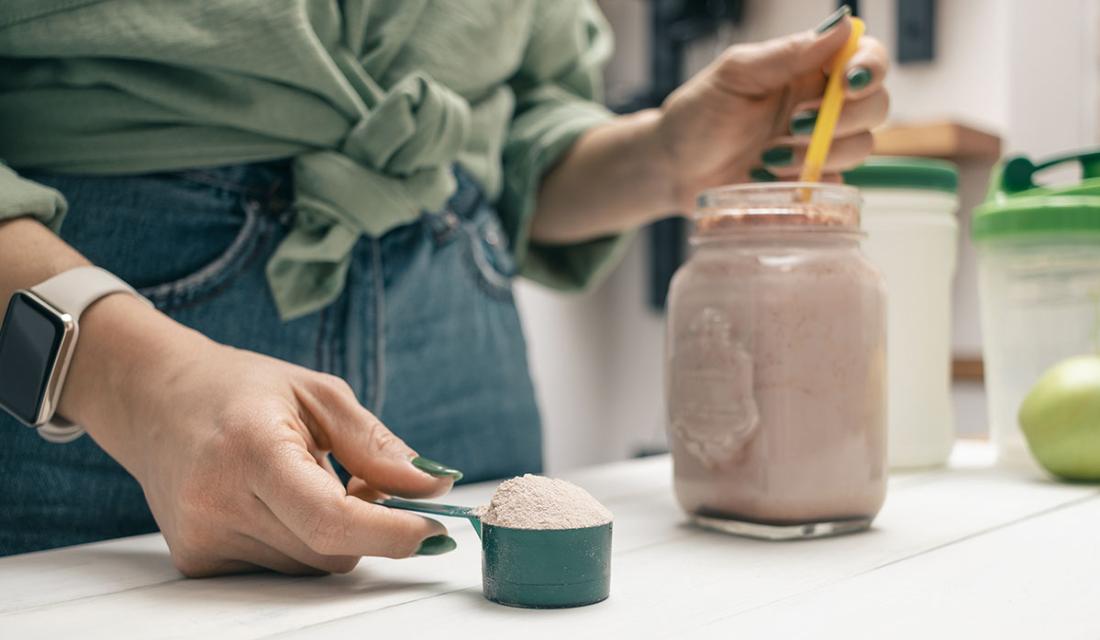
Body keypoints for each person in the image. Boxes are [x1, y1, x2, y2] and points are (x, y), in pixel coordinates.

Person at [0, 2, 888, 575]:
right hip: (87, 362)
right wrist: (135, 380)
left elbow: (521, 130)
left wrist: (662, 159)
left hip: (459, 334)